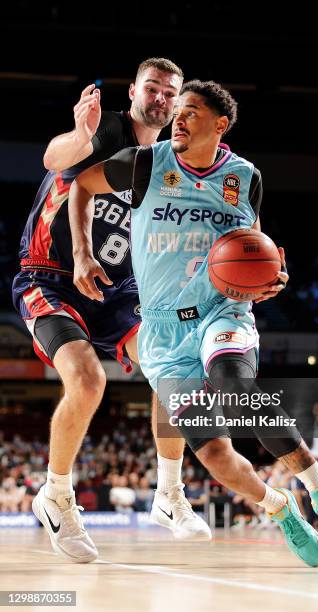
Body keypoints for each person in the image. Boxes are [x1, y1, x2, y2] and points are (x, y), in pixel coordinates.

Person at [68, 80, 318, 567]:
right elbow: (81, 184)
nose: (178, 119)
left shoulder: (245, 176)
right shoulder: (146, 162)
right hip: (162, 331)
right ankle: (282, 508)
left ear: (219, 124)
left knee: (235, 389)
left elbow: (255, 244)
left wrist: (270, 275)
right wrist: (82, 254)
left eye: (190, 112)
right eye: (176, 112)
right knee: (213, 454)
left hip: (220, 312)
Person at [12, 58, 210, 565]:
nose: (162, 98)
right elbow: (56, 158)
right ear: (134, 91)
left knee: (174, 369)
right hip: (52, 277)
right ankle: (56, 494)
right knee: (87, 380)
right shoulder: (109, 131)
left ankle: (169, 493)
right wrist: (80, 136)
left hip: (119, 294)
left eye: (171, 92)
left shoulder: (173, 162)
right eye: (154, 88)